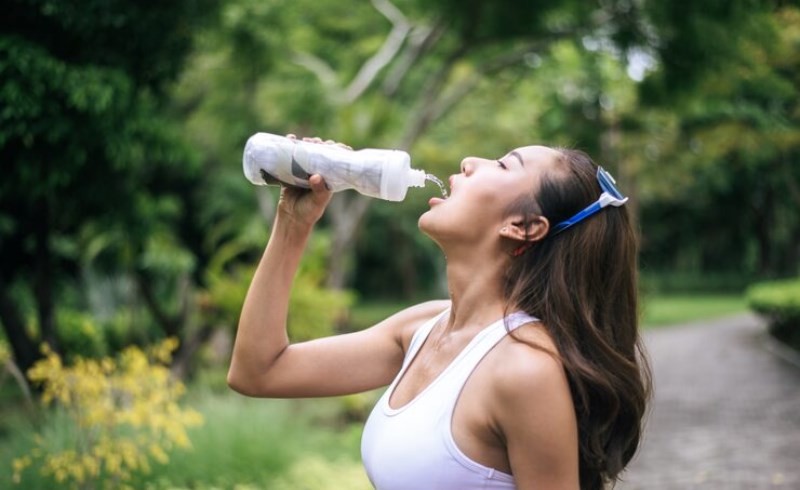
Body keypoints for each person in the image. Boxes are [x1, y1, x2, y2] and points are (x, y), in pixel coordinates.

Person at [228, 138, 651, 490]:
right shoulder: (422, 328)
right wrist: (292, 222)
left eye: (504, 165)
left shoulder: (524, 369)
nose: (469, 162)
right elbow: (259, 371)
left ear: (523, 226)